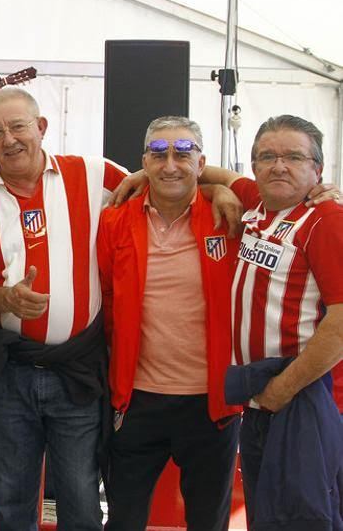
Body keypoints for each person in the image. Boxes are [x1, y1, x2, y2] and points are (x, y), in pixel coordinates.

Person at [0, 87, 129, 531]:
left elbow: (159, 181)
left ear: (42, 128)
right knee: (10, 500)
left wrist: (222, 188)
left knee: (83, 502)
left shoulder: (92, 174)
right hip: (10, 372)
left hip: (78, 370)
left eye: (18, 127)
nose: (8, 139)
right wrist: (5, 299)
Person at [189, 115, 343, 529]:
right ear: (253, 166)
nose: (279, 166)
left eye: (294, 157)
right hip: (258, 401)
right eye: (267, 157)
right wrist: (219, 187)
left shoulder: (326, 220)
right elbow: (199, 170)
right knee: (265, 518)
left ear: (318, 170)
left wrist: (284, 388)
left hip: (302, 401)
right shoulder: (257, 200)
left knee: (302, 520)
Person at [96, 116, 241, 531]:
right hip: (137, 400)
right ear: (143, 162)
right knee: (122, 521)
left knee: (208, 523)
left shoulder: (231, 219)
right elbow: (106, 297)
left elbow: (277, 194)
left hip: (211, 405)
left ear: (202, 163)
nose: (170, 164)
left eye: (183, 153)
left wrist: (221, 187)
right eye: (157, 154)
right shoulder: (114, 223)